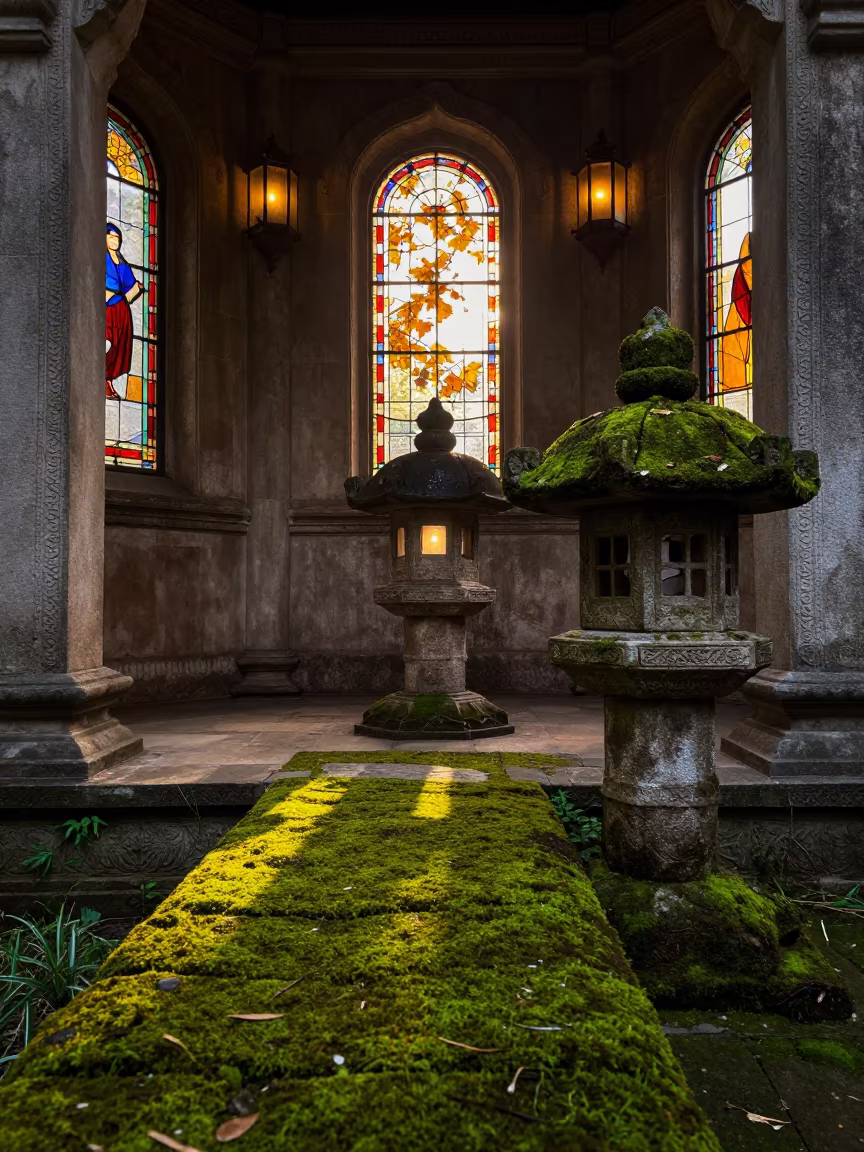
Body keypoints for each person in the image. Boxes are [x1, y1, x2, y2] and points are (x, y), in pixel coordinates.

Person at [105, 223, 144, 399]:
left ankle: (108, 381)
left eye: (117, 238)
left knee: (120, 346)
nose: (115, 241)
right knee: (107, 343)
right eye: (111, 237)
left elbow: (129, 289)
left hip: (121, 310)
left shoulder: (122, 264)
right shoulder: (101, 259)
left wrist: (137, 288)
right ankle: (101, 378)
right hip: (107, 308)